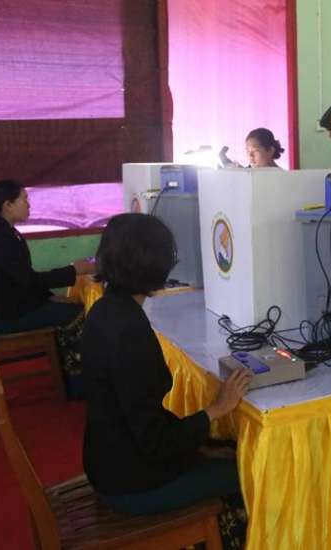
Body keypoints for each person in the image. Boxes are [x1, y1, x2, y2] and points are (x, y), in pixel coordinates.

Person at [82, 213, 253, 544]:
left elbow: (139, 416)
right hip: (132, 482)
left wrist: (201, 445)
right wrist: (216, 410)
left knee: (222, 450)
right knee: (247, 471)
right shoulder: (129, 332)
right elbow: (155, 442)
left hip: (109, 462)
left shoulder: (106, 309)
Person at [0, 179, 94, 335]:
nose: (29, 205)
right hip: (5, 317)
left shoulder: (4, 230)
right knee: (80, 314)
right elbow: (29, 280)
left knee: (70, 307)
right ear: (8, 205)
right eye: (24, 199)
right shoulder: (0, 237)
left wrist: (49, 297)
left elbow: (23, 278)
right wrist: (74, 271)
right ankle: (69, 352)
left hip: (13, 308)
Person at [218, 128, 284, 169]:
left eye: (255, 151)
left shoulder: (282, 177)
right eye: (247, 151)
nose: (250, 156)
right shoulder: (251, 172)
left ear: (270, 151)